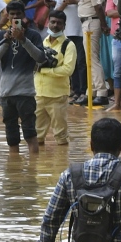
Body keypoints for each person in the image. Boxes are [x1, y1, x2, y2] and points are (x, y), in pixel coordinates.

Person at [0, 0, 45, 154]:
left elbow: (40, 58)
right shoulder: (2, 36)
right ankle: (14, 166)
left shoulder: (33, 35)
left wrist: (23, 40)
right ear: (8, 16)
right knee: (11, 136)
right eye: (12, 14)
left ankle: (33, 165)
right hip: (6, 93)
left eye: (18, 14)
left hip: (25, 93)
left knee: (30, 133)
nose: (15, 17)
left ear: (24, 15)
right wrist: (6, 42)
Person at [35, 9, 78, 146]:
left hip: (57, 96)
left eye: (59, 23)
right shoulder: (42, 43)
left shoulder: (68, 45)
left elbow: (68, 70)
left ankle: (62, 158)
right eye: (53, 22)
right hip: (39, 94)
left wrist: (44, 70)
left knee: (61, 136)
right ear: (48, 23)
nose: (55, 25)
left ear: (64, 26)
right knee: (36, 136)